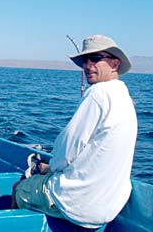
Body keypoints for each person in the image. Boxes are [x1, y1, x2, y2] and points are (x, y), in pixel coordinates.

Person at [12, 35, 137, 231]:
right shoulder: (125, 97)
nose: (88, 65)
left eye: (95, 58)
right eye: (84, 61)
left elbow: (67, 149)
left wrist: (51, 167)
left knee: (18, 189)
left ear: (114, 63)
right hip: (109, 207)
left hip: (79, 203)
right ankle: (42, 169)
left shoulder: (98, 93)